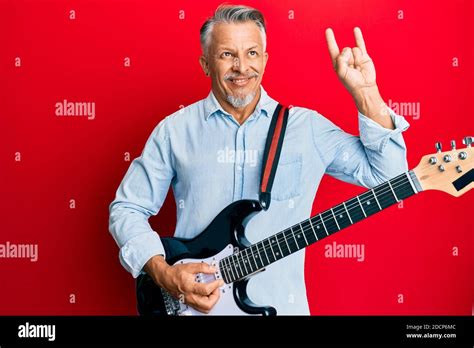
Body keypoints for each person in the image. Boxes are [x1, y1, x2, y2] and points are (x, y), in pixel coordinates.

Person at [109, 4, 409, 315]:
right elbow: (126, 209)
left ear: (264, 60)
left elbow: (389, 177)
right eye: (227, 54)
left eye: (252, 53)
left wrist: (366, 93)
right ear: (205, 64)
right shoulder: (174, 131)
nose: (241, 67)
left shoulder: (307, 128)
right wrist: (164, 273)